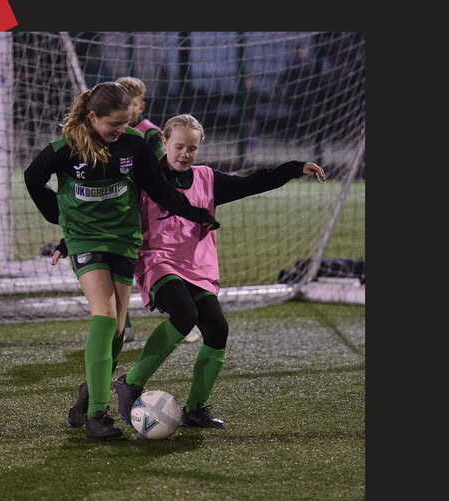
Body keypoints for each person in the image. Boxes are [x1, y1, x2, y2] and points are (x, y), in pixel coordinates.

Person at [24, 82, 220, 440]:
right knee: (104, 314)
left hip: (124, 240)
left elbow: (160, 190)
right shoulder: (66, 147)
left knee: (115, 328)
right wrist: (60, 220)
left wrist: (195, 213)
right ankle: (98, 415)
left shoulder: (134, 145)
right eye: (113, 124)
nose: (120, 130)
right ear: (93, 116)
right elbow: (33, 178)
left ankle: (87, 396)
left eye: (125, 122)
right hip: (86, 239)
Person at [114, 113, 326, 429]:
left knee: (217, 329)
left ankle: (195, 409)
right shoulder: (146, 178)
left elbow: (255, 181)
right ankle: (130, 383)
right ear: (164, 143)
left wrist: (295, 169)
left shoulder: (207, 179)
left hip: (198, 266)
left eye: (192, 148)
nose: (185, 154)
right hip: (157, 262)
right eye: (179, 146)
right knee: (184, 315)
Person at [116, 75, 203, 343]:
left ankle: (185, 320)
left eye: (132, 103)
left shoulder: (149, 133)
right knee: (117, 269)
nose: (127, 109)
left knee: (159, 268)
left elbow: (161, 172)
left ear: (140, 107)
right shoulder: (113, 131)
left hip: (151, 211)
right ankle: (123, 326)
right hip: (122, 208)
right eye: (121, 103)